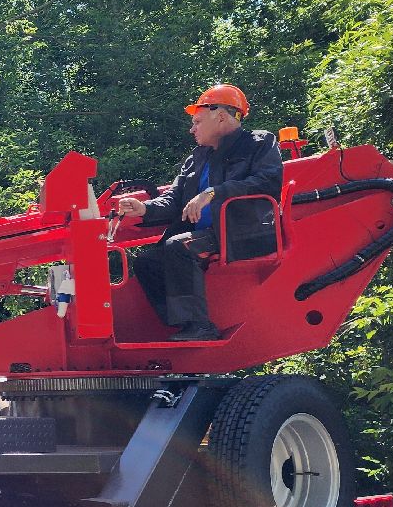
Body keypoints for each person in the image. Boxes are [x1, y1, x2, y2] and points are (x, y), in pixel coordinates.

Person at [116, 83, 283, 342]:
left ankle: (200, 326)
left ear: (221, 116)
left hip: (241, 231)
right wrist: (144, 209)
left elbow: (266, 183)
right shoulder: (197, 158)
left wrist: (214, 192)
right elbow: (173, 200)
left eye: (197, 121)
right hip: (206, 234)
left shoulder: (259, 143)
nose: (191, 129)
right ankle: (179, 322)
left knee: (178, 247)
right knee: (147, 262)